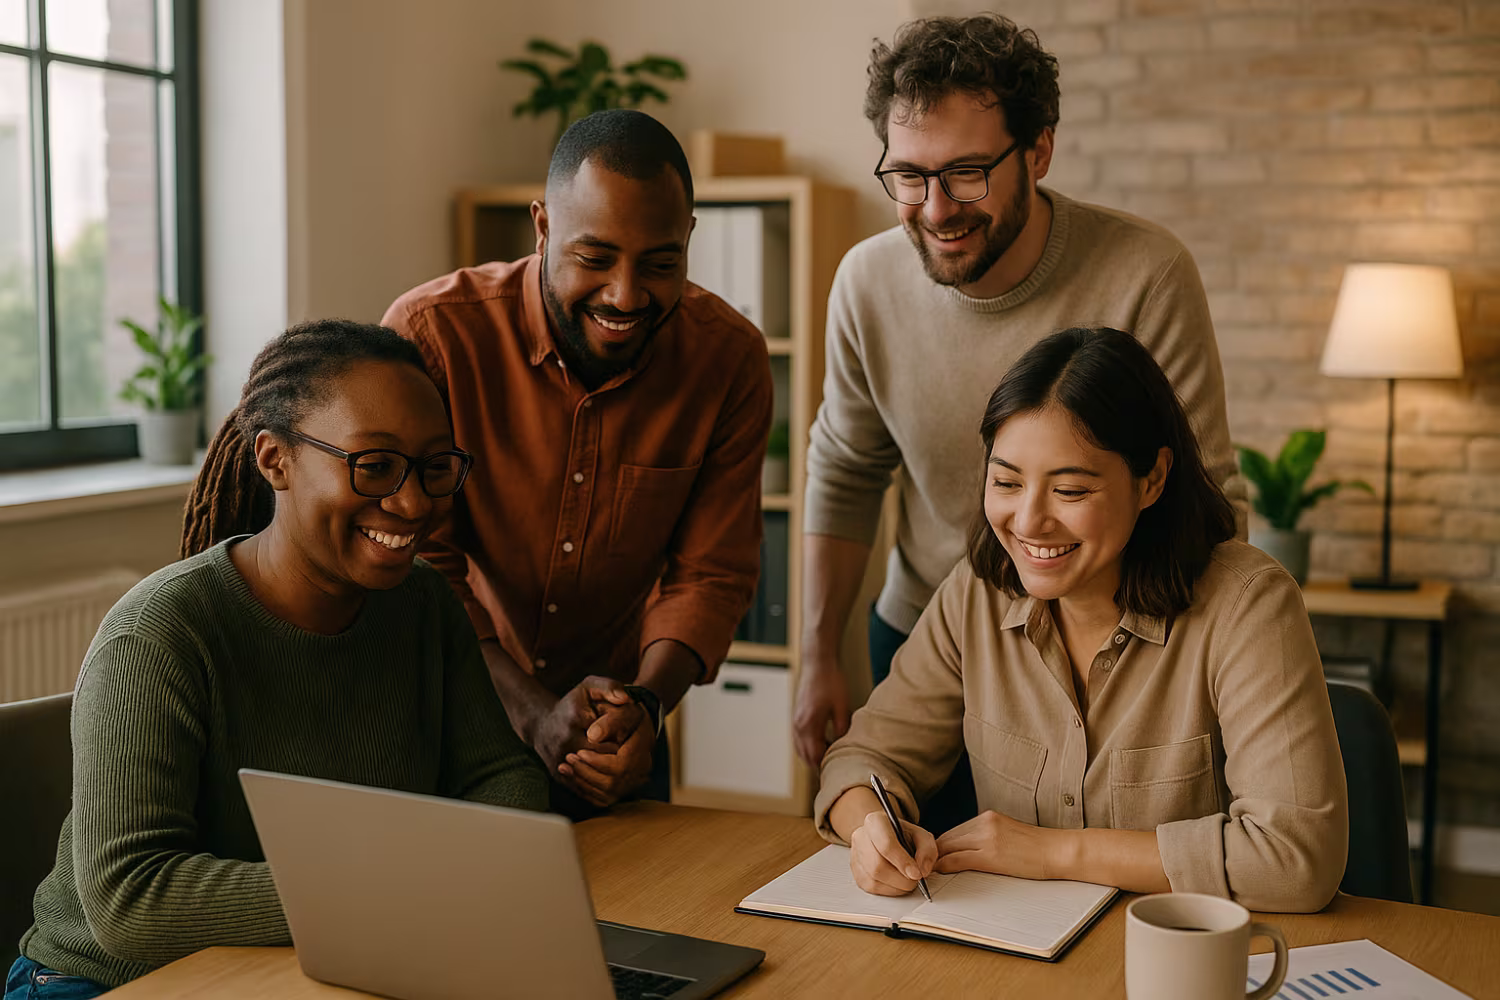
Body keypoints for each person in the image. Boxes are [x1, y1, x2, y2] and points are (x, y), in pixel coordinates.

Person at [6, 321, 548, 999]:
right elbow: (132, 900)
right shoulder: (160, 635)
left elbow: (500, 773)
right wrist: (402, 882)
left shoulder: (423, 604)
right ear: (274, 459)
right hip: (109, 983)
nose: (413, 503)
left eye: (434, 467)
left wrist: (435, 877)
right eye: (373, 465)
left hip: (323, 958)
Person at [794, 14, 1243, 796]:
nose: (935, 209)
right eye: (908, 176)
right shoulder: (865, 283)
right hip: (922, 642)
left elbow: (1205, 500)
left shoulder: (1146, 272)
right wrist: (818, 653)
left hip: (1104, 653)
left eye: (968, 173)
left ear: (1038, 151)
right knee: (910, 881)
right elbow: (845, 472)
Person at [816, 328, 1347, 914]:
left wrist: (1052, 853)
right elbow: (861, 758)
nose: (1029, 521)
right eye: (1006, 482)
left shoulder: (1249, 606)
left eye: (1069, 489)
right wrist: (871, 827)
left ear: (1152, 481)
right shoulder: (975, 594)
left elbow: (1297, 860)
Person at [382, 110, 772, 816]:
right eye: (594, 259)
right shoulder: (432, 336)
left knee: (636, 926)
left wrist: (645, 708)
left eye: (660, 265)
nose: (626, 296)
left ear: (688, 239)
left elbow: (711, 573)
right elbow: (416, 560)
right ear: (542, 228)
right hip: (457, 716)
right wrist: (531, 713)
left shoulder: (730, 360)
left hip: (615, 739)